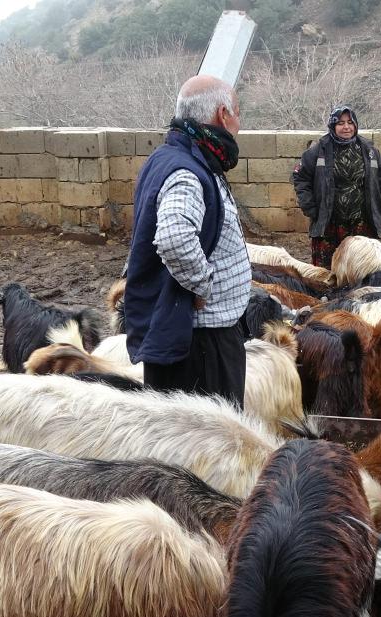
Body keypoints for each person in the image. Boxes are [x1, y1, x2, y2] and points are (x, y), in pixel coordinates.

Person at [121, 75, 251, 406]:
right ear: (223, 115)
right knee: (211, 435)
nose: (239, 123)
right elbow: (174, 237)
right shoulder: (187, 172)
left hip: (196, 339)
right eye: (238, 113)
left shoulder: (174, 156)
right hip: (202, 346)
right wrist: (202, 284)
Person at [291, 105, 381, 269]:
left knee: (362, 269)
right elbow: (300, 177)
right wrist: (310, 208)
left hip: (362, 224)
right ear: (333, 125)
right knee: (327, 272)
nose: (346, 127)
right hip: (329, 225)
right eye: (340, 123)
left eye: (350, 123)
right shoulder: (318, 151)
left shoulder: (370, 151)